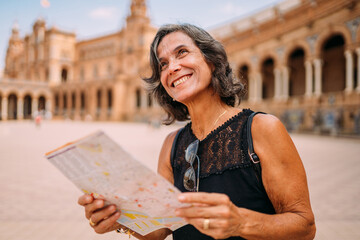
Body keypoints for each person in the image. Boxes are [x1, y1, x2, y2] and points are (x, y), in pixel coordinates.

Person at [78, 23, 316, 240]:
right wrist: (120, 217)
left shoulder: (261, 129)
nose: (172, 67)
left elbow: (304, 227)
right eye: (163, 64)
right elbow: (160, 229)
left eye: (181, 52)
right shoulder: (172, 145)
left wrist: (242, 222)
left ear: (211, 60)